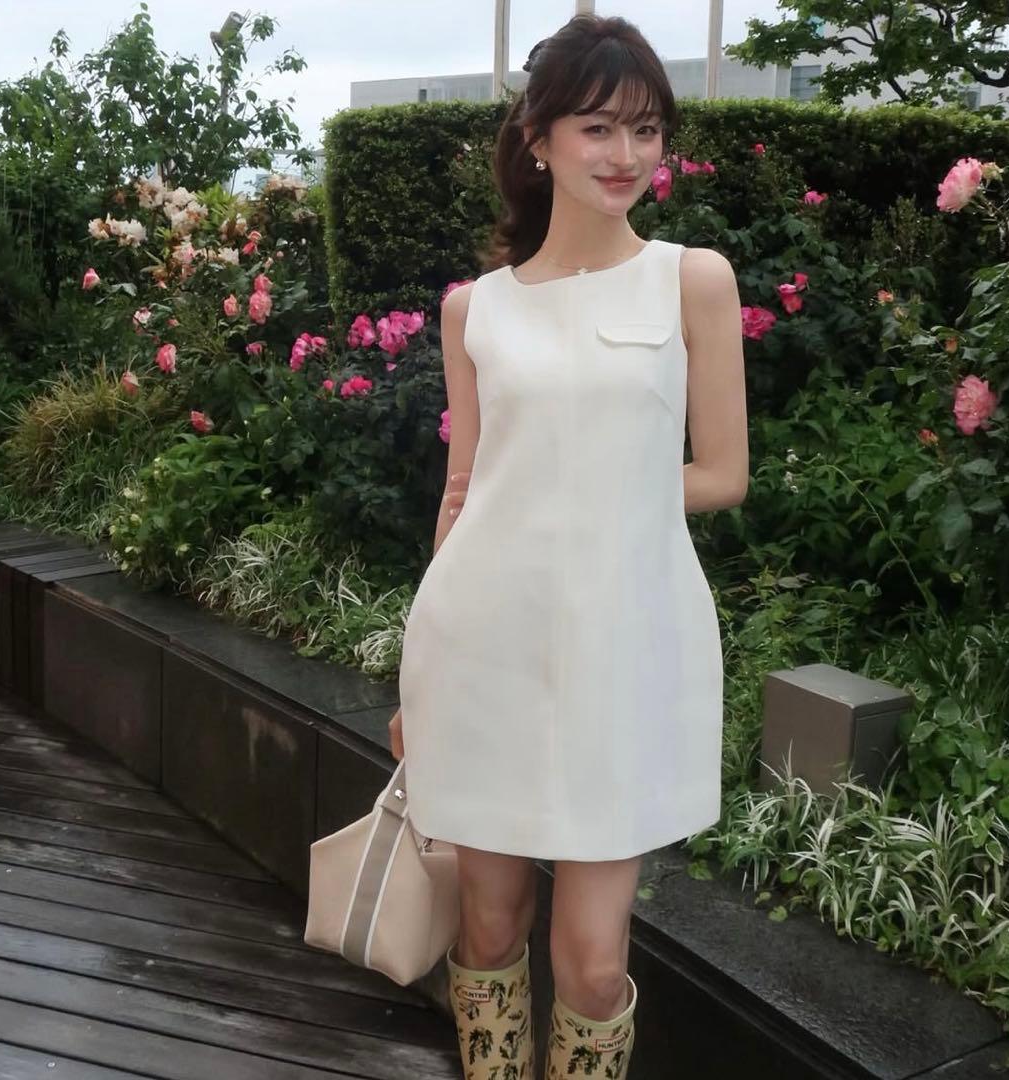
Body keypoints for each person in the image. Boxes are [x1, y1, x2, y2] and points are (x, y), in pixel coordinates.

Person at [389, 12, 748, 1079]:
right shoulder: (476, 311)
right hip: (483, 650)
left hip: (622, 653)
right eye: (598, 128)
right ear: (538, 139)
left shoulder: (692, 279)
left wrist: (589, 488)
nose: (626, 154)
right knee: (489, 925)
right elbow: (463, 495)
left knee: (592, 964)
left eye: (646, 129)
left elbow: (723, 473)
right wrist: (416, 681)